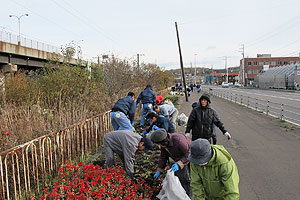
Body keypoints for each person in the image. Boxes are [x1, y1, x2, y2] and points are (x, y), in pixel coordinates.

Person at [151, 129, 192, 197]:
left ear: (163, 141)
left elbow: (189, 154)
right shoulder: (164, 145)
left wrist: (179, 164)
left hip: (190, 156)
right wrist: (159, 170)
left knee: (186, 179)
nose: (158, 145)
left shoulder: (179, 141)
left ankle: (188, 195)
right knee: (180, 176)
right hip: (179, 157)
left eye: (158, 143)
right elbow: (163, 156)